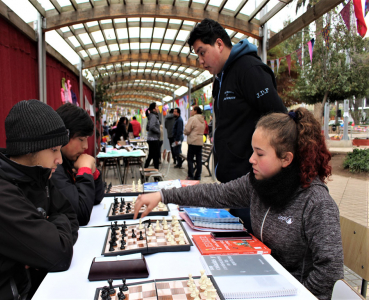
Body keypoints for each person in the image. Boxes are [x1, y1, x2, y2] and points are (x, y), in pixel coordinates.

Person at [134, 108, 344, 300]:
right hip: (260, 280)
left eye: (260, 154)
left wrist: (298, 295)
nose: (251, 159)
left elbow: (330, 272)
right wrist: (163, 195)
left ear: (286, 159)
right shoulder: (257, 183)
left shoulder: (316, 203)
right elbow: (215, 193)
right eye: (253, 151)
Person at [0, 100, 79, 300]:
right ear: (30, 148)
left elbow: (71, 216)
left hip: (39, 287)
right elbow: (60, 254)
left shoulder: (38, 175)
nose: (60, 160)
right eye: (54, 150)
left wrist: (45, 238)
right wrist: (49, 238)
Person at [188, 18, 286, 182]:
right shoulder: (220, 80)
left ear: (219, 44)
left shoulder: (249, 70)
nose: (201, 61)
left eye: (202, 52)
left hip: (250, 182)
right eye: (198, 55)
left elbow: (280, 122)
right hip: (231, 181)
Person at [51, 103, 104, 226]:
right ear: (64, 136)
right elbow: (81, 215)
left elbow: (96, 198)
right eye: (81, 139)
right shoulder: (53, 168)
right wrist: (85, 170)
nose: (85, 146)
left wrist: (93, 173)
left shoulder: (69, 160)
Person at [184, 106, 205, 180]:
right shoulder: (202, 120)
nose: (191, 111)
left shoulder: (192, 119)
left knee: (190, 159)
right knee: (199, 159)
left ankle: (191, 175)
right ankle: (198, 175)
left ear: (195, 111)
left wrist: (185, 132)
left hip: (193, 141)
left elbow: (187, 129)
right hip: (200, 142)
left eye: (192, 110)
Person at [144, 102, 161, 170]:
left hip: (151, 139)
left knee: (151, 155)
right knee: (156, 157)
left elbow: (148, 128)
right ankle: (156, 173)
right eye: (157, 107)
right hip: (154, 139)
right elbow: (151, 127)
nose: (158, 108)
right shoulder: (153, 116)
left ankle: (145, 168)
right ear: (154, 109)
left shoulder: (151, 116)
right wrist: (158, 131)